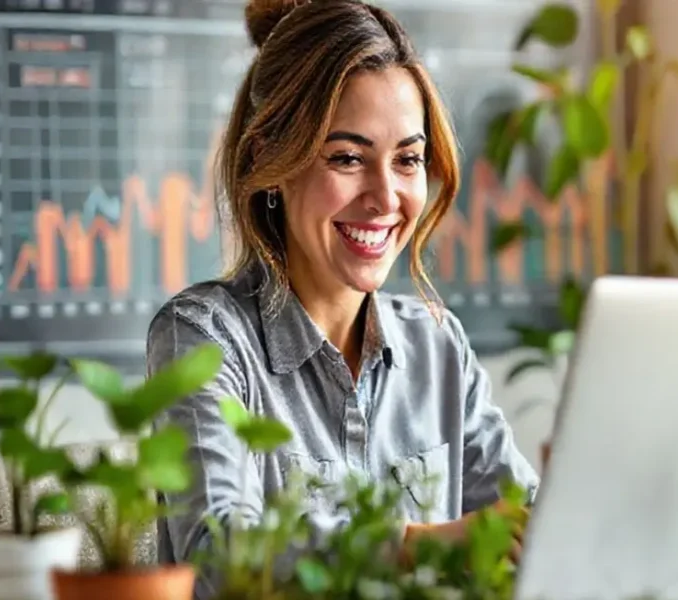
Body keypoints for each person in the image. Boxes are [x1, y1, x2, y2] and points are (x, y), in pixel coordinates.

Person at [146, 0, 539, 596]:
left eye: (407, 159)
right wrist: (415, 545)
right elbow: (219, 558)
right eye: (348, 158)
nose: (386, 197)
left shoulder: (438, 344)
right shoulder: (200, 338)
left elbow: (522, 527)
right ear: (269, 161)